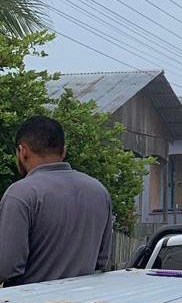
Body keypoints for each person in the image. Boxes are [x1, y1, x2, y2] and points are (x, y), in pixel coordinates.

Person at [0, 116, 112, 287]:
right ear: (63, 151)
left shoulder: (21, 195)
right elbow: (101, 261)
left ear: (22, 152)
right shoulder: (99, 192)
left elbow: (7, 268)